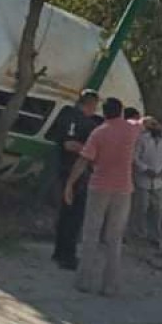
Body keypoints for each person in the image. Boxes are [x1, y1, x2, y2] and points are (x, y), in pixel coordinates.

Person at [64, 97, 141, 296]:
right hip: (124, 188)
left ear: (104, 113)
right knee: (114, 238)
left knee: (91, 234)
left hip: (99, 186)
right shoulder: (130, 129)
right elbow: (143, 122)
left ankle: (84, 281)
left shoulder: (98, 133)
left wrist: (70, 184)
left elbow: (83, 160)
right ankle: (110, 285)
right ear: (121, 111)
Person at [51, 89, 102, 270]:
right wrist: (89, 152)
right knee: (74, 215)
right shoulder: (79, 120)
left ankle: (59, 251)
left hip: (65, 169)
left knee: (66, 213)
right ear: (89, 104)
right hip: (75, 172)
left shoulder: (66, 115)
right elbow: (69, 143)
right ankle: (67, 255)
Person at [132, 116, 162, 246]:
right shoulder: (142, 138)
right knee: (142, 207)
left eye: (160, 125)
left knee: (158, 209)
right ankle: (139, 233)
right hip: (143, 178)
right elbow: (135, 156)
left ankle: (155, 235)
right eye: (155, 125)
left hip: (159, 180)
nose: (158, 127)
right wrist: (145, 169)